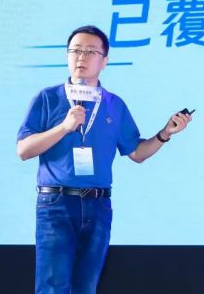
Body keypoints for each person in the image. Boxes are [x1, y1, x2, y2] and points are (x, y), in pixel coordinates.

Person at [16, 25, 193, 294]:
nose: (81, 57)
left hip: (98, 205)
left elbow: (137, 153)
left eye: (90, 52)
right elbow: (24, 150)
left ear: (104, 60)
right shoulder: (47, 98)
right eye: (75, 51)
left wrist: (165, 133)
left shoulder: (114, 104)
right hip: (56, 204)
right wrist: (64, 127)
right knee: (53, 287)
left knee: (86, 287)